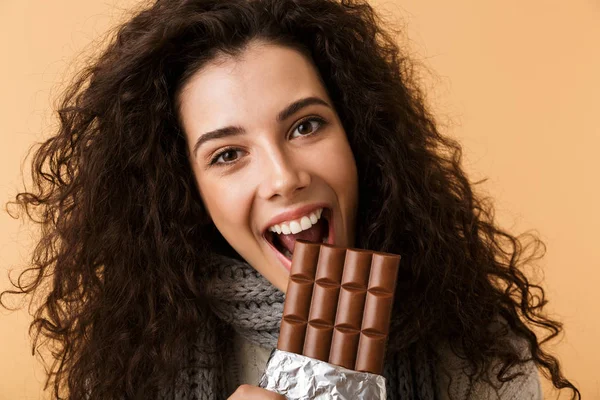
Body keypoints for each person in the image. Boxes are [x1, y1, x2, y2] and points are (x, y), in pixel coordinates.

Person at [1, 0, 581, 399]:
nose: (283, 177)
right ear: (186, 190)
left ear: (360, 136)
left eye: (305, 126)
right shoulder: (134, 364)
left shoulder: (480, 354)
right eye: (228, 154)